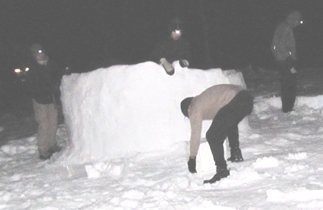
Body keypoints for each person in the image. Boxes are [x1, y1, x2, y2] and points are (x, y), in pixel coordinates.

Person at [180, 84, 253, 184]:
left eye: (187, 116)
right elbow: (226, 120)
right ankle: (235, 153)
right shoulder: (206, 101)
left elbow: (195, 133)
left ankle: (222, 170)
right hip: (246, 98)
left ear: (188, 109)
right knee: (230, 122)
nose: (190, 118)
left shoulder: (194, 106)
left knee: (212, 136)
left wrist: (192, 158)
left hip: (237, 100)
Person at [17, 43, 65, 160]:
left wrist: (55, 86)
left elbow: (58, 76)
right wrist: (40, 90)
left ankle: (51, 145)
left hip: (51, 99)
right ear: (33, 55)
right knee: (44, 124)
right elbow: (30, 84)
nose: (40, 55)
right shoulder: (32, 67)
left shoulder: (51, 64)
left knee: (53, 122)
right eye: (36, 53)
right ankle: (43, 149)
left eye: (41, 52)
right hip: (40, 100)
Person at [271, 10, 303, 113]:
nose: (298, 24)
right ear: (293, 19)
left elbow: (275, 45)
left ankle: (287, 107)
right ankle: (288, 107)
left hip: (281, 60)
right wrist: (289, 58)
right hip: (286, 61)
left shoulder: (281, 26)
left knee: (286, 83)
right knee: (290, 83)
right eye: (298, 21)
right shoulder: (286, 27)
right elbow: (281, 45)